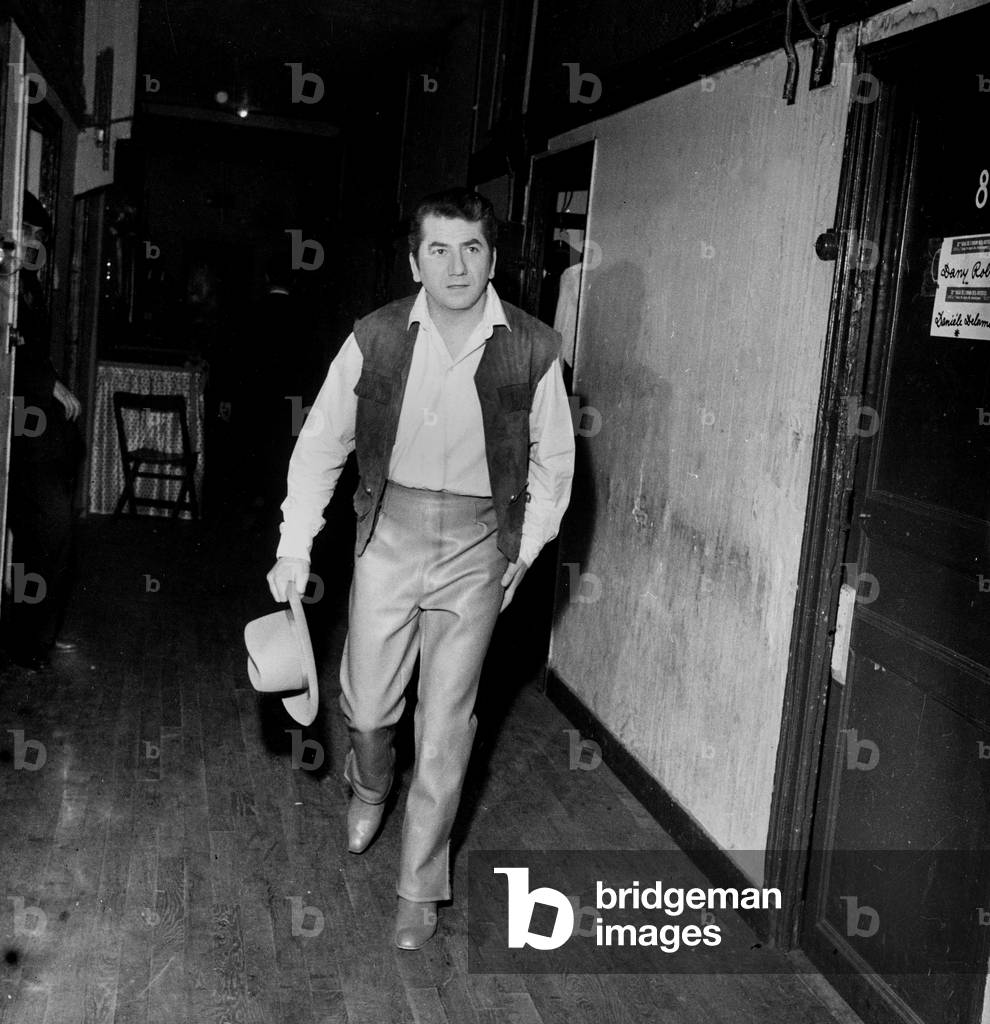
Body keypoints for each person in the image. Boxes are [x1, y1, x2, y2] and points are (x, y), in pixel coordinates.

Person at [266, 188, 575, 948]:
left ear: (492, 257)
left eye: (472, 248)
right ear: (415, 261)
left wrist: (525, 549)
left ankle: (419, 886)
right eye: (439, 249)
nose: (457, 265)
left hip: (478, 550)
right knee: (369, 709)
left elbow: (554, 466)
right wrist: (294, 545)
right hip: (388, 536)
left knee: (447, 723)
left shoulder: (533, 348)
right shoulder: (373, 339)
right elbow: (321, 449)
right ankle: (370, 781)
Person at [4, 192, 83, 670]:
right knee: (47, 531)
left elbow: (35, 353)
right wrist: (50, 384)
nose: (36, 244)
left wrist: (52, 383)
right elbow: (18, 356)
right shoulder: (12, 287)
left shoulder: (30, 288)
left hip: (37, 435)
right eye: (30, 234)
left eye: (40, 236)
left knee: (49, 538)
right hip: (20, 429)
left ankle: (36, 635)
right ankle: (26, 637)